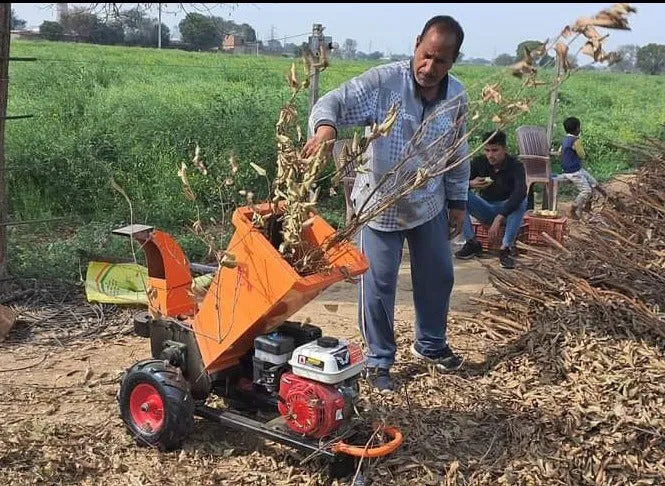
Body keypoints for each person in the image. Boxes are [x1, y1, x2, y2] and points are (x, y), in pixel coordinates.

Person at [302, 15, 470, 394]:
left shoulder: (457, 96)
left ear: (453, 61)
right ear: (416, 45)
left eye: (441, 61)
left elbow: (458, 150)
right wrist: (327, 128)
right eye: (425, 56)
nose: (429, 68)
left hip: (428, 202)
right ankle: (379, 361)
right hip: (379, 206)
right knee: (378, 287)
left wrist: (458, 200)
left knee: (439, 276)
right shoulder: (383, 83)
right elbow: (334, 101)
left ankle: (431, 346)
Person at [454, 130, 527, 270]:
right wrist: (471, 184)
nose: (490, 155)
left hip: (507, 212)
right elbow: (458, 183)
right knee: (460, 194)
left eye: (495, 150)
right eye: (487, 150)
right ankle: (472, 242)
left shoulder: (515, 166)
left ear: (505, 149)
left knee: (521, 201)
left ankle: (505, 248)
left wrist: (500, 217)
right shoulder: (479, 162)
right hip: (486, 207)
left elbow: (520, 191)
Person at [561, 116, 607, 218]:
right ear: (577, 128)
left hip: (572, 169)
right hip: (573, 172)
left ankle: (588, 206)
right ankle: (572, 209)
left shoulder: (565, 139)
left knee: (594, 183)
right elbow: (582, 155)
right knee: (587, 190)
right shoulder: (576, 141)